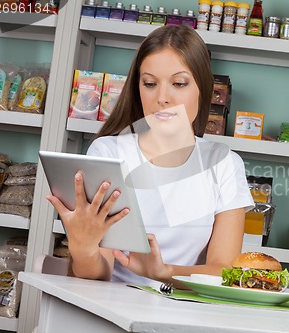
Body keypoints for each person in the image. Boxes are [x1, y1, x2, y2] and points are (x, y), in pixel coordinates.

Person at [46, 25, 254, 287]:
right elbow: (98, 275)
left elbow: (224, 271)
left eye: (179, 83)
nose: (162, 98)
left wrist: (163, 271)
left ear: (203, 87)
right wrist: (83, 247)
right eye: (150, 84)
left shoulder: (223, 163)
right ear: (138, 88)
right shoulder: (109, 153)